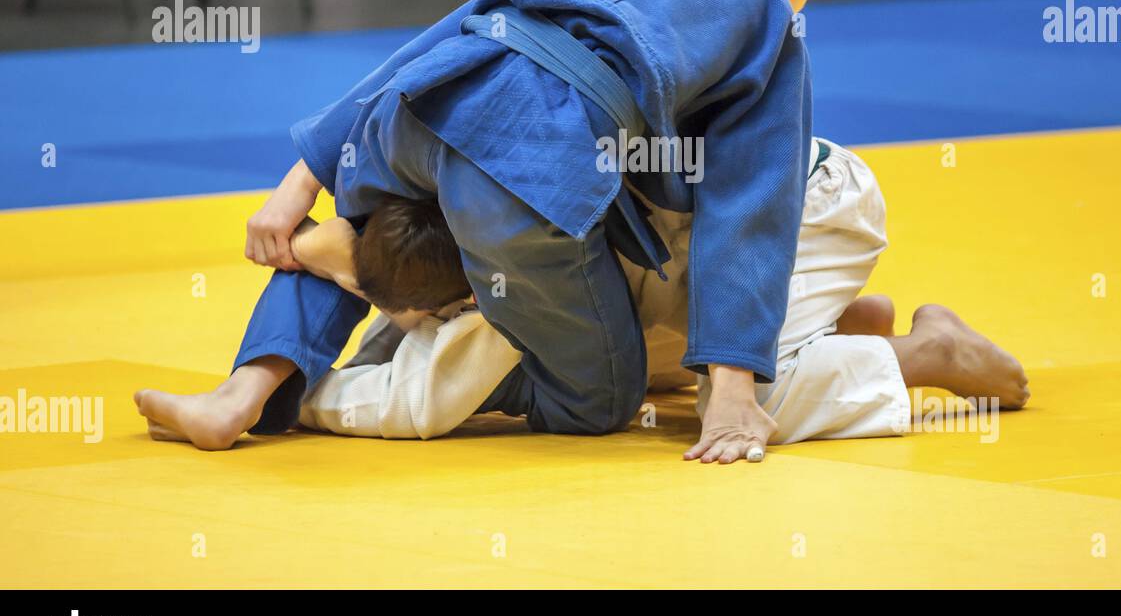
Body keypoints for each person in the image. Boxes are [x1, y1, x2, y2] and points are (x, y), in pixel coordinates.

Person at [136, 0, 832, 463]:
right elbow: (751, 201)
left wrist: (304, 176)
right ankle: (398, 289)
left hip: (425, 106)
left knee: (373, 212)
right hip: (529, 163)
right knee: (602, 399)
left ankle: (243, 390)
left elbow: (450, 28)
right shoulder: (771, 10)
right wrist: (733, 391)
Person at [137, 138, 1029, 454]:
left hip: (792, 213)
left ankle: (924, 354)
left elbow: (417, 402)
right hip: (711, 234)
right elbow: (368, 124)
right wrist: (305, 202)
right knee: (625, 355)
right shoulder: (456, 177)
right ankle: (829, 322)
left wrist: (307, 401)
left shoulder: (509, 287)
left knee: (743, 404)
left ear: (451, 302)